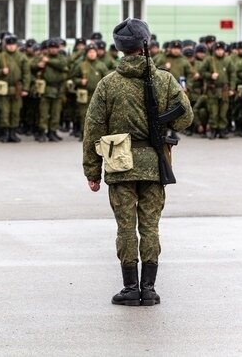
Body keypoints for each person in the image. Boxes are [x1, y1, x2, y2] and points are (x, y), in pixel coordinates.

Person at [82, 18, 193, 306]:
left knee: (125, 228)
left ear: (120, 48)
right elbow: (185, 118)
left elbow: (93, 129)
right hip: (155, 164)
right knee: (151, 226)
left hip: (120, 165)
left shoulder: (108, 84)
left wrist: (92, 171)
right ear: (147, 44)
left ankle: (131, 288)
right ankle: (150, 289)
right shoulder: (165, 80)